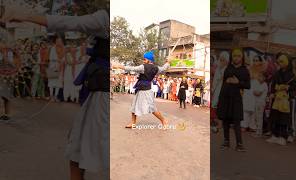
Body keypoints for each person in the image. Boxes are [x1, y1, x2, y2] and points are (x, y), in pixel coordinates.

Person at [1, 6, 109, 180]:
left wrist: (23, 14)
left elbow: (69, 22)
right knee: (78, 153)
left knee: (81, 152)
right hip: (97, 93)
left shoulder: (105, 20)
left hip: (101, 98)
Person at [112, 52, 170, 129]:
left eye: (145, 59)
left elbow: (132, 68)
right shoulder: (156, 68)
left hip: (146, 91)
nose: (143, 60)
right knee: (134, 106)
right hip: (141, 89)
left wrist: (120, 66)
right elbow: (164, 68)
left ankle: (164, 120)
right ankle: (133, 123)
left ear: (149, 60)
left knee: (152, 108)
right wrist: (168, 62)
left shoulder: (143, 67)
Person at [217, 48, 250, 152]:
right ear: (232, 57)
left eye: (239, 56)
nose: (236, 58)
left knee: (236, 122)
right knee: (225, 121)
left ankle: (239, 144)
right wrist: (220, 99)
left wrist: (238, 82)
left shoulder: (244, 70)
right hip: (225, 98)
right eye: (235, 56)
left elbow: (248, 85)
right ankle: (226, 142)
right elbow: (223, 84)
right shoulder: (228, 68)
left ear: (242, 57)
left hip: (236, 99)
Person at [266, 53, 296, 146]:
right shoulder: (277, 73)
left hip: (285, 99)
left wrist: (287, 88)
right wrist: (272, 93)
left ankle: (283, 137)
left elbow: (294, 87)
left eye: (282, 61)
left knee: (284, 118)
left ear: (287, 62)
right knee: (275, 116)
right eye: (279, 61)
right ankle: (274, 136)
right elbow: (273, 84)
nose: (280, 63)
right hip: (276, 98)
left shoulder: (292, 75)